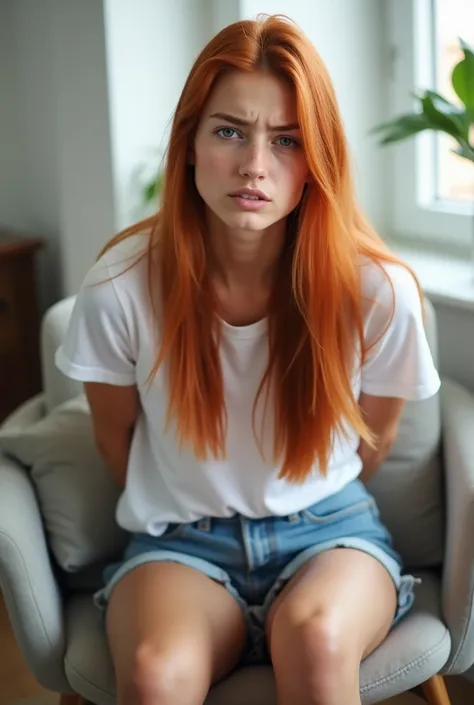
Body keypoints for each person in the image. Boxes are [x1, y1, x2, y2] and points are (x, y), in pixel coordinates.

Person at [55, 14, 441, 705]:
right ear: (191, 145)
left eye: (286, 140)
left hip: (332, 533)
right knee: (153, 673)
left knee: (318, 640)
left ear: (317, 158)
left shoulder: (378, 290)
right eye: (229, 130)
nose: (255, 166)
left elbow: (372, 442)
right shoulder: (119, 285)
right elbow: (117, 440)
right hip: (182, 543)